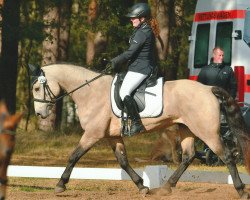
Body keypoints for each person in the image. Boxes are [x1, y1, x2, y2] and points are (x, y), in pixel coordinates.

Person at [111, 3, 158, 136]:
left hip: (141, 69)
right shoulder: (141, 29)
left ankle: (137, 123)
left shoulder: (143, 32)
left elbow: (130, 53)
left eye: (133, 17)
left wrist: (115, 60)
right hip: (137, 67)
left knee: (124, 91)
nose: (131, 19)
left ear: (142, 18)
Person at [197, 47, 238, 165]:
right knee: (209, 128)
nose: (222, 58)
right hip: (208, 106)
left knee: (224, 128)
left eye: (223, 55)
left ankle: (225, 152)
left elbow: (233, 87)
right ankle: (207, 150)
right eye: (220, 55)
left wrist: (230, 100)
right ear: (214, 55)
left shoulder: (228, 70)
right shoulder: (205, 70)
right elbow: (199, 88)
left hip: (224, 105)